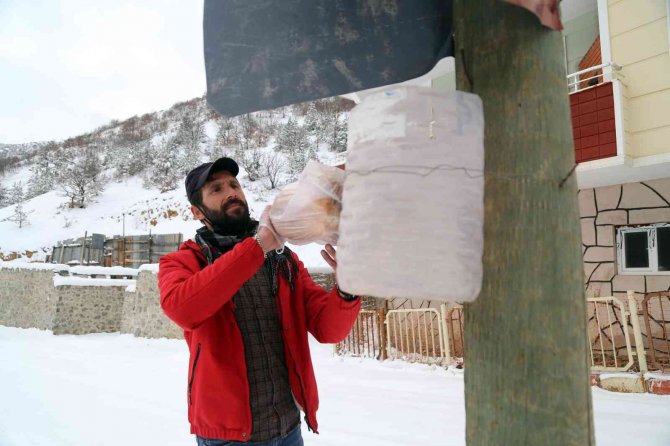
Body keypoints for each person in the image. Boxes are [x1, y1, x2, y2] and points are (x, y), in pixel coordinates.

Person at [158, 157, 361, 445]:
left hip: (288, 427)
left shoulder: (283, 260)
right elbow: (183, 309)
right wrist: (259, 245)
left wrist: (347, 289)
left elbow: (329, 330)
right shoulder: (185, 261)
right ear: (196, 211)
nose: (231, 192)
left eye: (234, 185)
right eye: (216, 189)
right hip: (229, 436)